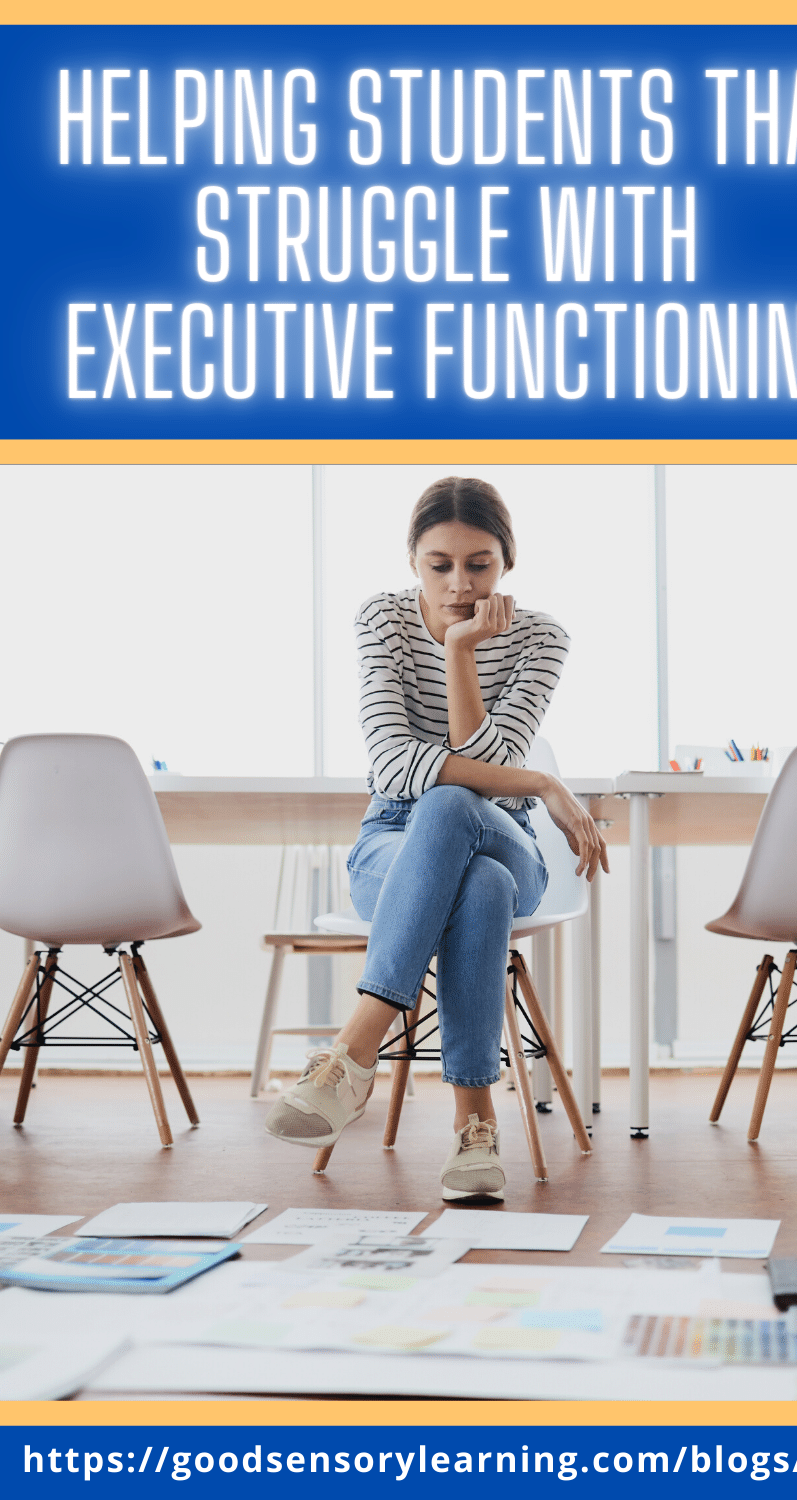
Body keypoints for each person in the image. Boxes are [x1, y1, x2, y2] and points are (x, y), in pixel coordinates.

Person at [265, 476, 608, 1198]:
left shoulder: (541, 639)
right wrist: (544, 785)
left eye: (478, 565)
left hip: (505, 838)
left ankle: (354, 1050)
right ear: (413, 562)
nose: (459, 583)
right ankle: (474, 1129)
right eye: (440, 565)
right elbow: (392, 764)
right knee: (476, 884)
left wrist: (459, 652)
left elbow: (487, 778)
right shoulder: (383, 621)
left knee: (456, 805)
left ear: (506, 562)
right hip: (392, 842)